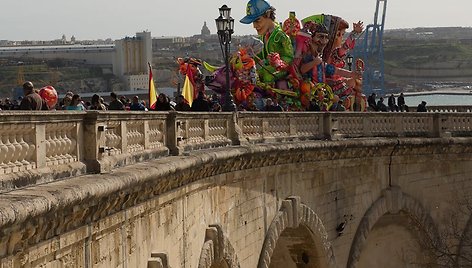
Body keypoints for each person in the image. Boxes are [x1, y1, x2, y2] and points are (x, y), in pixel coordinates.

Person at [240, 0, 293, 86]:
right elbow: (260, 56)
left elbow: (289, 57)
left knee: (264, 75)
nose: (254, 26)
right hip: (266, 69)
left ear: (268, 14)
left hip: (280, 71)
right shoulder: (264, 35)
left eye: (257, 20)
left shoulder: (280, 36)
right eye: (253, 22)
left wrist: (279, 63)